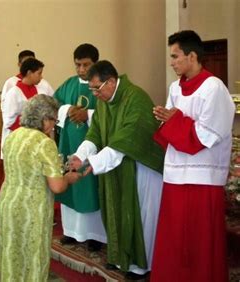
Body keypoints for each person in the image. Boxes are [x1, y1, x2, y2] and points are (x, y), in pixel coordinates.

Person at [151, 30, 235, 282]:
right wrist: (166, 120)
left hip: (203, 176)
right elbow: (171, 125)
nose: (172, 62)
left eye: (175, 56)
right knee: (175, 237)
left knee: (198, 240)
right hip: (176, 174)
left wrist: (174, 121)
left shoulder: (214, 88)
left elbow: (206, 135)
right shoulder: (174, 87)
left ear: (192, 55)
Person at [69, 60, 164, 279]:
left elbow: (125, 139)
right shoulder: (105, 100)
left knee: (141, 217)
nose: (94, 94)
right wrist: (80, 156)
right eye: (91, 89)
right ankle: (122, 258)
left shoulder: (136, 99)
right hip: (115, 164)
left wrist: (92, 164)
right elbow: (95, 132)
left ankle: (142, 265)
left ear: (111, 81)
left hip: (142, 168)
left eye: (96, 88)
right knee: (116, 210)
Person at [0, 94, 82, 281]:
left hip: (8, 202)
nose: (54, 125)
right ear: (44, 118)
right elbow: (57, 186)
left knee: (12, 253)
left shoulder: (13, 136)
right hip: (32, 208)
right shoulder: (44, 143)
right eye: (53, 120)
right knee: (33, 256)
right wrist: (68, 178)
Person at [54, 43, 106, 250]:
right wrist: (66, 110)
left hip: (94, 148)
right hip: (69, 145)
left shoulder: (102, 85)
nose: (82, 70)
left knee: (91, 187)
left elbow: (110, 113)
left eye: (86, 65)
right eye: (78, 65)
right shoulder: (68, 84)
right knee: (71, 185)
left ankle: (96, 235)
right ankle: (72, 232)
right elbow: (53, 104)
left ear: (96, 63)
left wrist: (89, 115)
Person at [1, 57, 51, 158]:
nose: (41, 77)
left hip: (34, 139)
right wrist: (32, 126)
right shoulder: (13, 93)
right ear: (29, 73)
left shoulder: (39, 90)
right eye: (39, 73)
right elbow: (8, 121)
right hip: (17, 141)